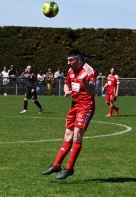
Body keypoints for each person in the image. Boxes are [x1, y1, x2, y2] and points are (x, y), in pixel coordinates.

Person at [42, 49, 96, 180]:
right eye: (67, 60)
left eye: (70, 60)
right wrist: (67, 91)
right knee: (68, 135)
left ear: (78, 59)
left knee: (77, 136)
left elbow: (93, 91)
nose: (68, 63)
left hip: (86, 106)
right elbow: (67, 84)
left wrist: (83, 82)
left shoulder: (89, 71)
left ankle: (70, 168)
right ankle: (56, 165)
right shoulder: (71, 71)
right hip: (74, 106)